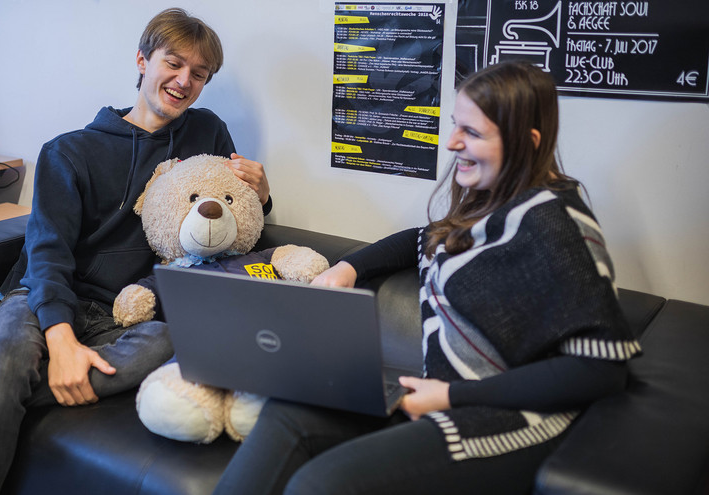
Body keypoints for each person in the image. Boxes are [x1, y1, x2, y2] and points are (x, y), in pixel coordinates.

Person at [212, 60, 641, 495]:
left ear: (528, 144)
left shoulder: (559, 225)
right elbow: (425, 238)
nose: (452, 143)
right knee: (286, 415)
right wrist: (350, 266)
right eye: (457, 126)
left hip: (507, 418)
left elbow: (599, 371)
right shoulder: (493, 204)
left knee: (319, 484)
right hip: (440, 394)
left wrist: (451, 398)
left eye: (472, 133)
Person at [0, 8, 271, 495]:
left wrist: (262, 194)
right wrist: (62, 339)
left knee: (169, 342)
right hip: (40, 295)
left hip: (128, 310)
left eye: (199, 74)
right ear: (142, 59)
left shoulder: (207, 133)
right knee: (7, 359)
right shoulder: (68, 151)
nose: (184, 81)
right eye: (173, 64)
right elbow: (46, 254)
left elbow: (230, 216)